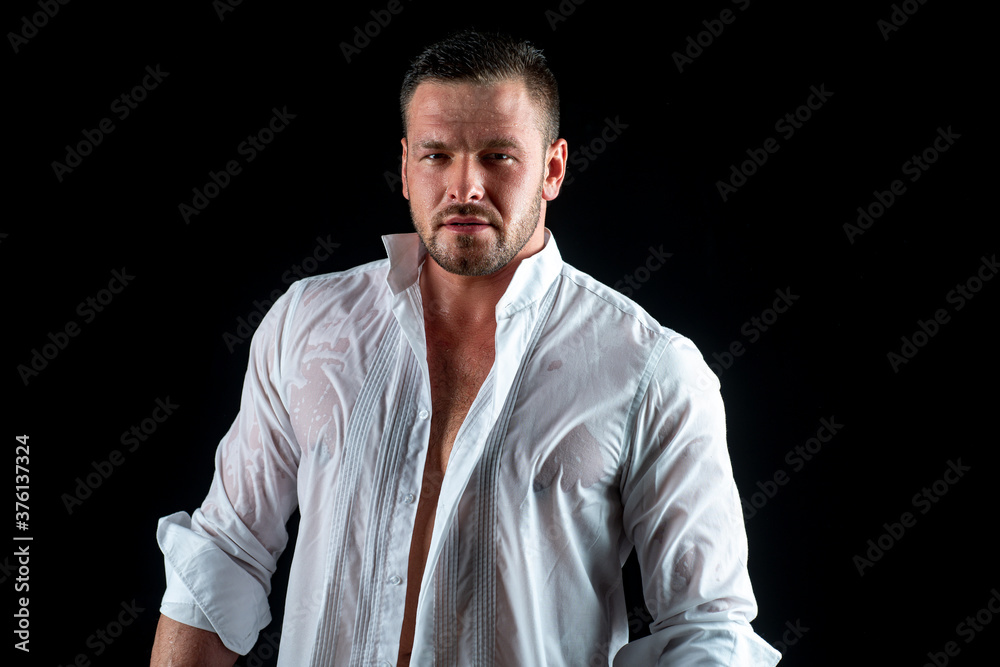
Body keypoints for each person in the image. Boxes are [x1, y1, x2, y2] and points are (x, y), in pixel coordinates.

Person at [149, 29, 781, 666]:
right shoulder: (308, 325)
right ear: (404, 167)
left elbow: (706, 630)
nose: (465, 186)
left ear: (552, 169)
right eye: (436, 155)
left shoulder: (651, 368)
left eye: (499, 156)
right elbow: (225, 554)